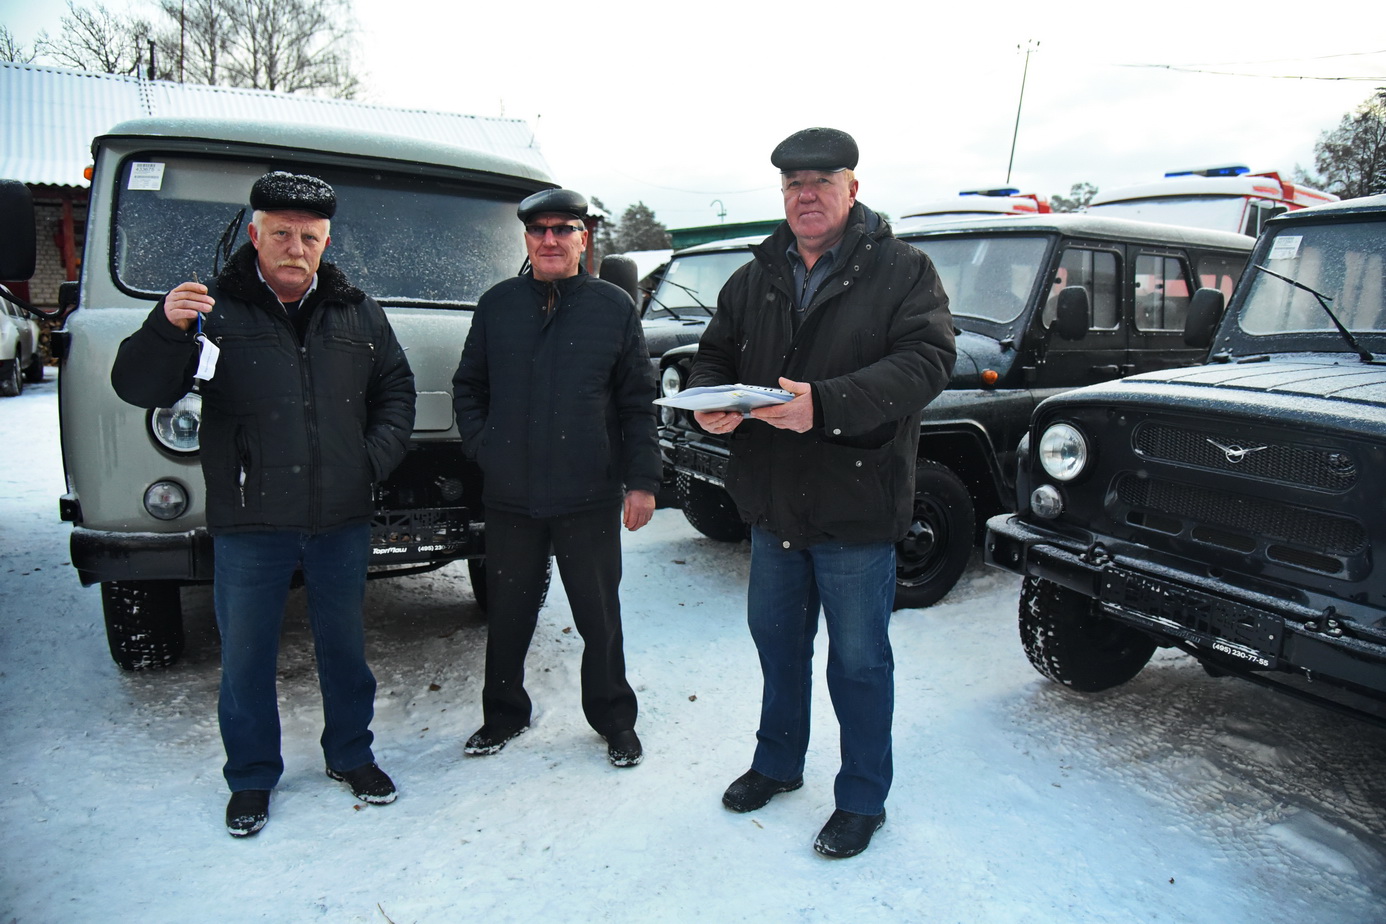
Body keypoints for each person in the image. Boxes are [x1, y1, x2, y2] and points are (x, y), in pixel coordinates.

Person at [111, 171, 416, 838]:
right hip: (251, 520)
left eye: (309, 237)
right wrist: (165, 328)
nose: (295, 248)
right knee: (247, 657)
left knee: (344, 649)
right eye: (281, 234)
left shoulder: (358, 311)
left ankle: (351, 755)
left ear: (326, 242)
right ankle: (251, 774)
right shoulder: (210, 309)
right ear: (255, 235)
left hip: (340, 517)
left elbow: (395, 389)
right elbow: (139, 386)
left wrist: (370, 459)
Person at [689, 128, 956, 858]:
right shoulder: (755, 275)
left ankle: (863, 797)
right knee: (778, 645)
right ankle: (778, 762)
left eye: (822, 181)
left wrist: (826, 404)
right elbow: (715, 353)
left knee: (859, 662)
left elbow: (928, 361)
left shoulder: (904, 271)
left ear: (852, 188)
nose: (806, 195)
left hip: (855, 502)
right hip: (772, 499)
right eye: (794, 184)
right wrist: (708, 400)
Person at [452, 188, 660, 768]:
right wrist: (486, 446)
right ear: (525, 238)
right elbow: (469, 387)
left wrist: (642, 481)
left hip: (587, 491)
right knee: (508, 614)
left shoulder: (613, 307)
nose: (550, 239)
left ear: (582, 239)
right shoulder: (497, 305)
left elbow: (637, 402)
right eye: (538, 230)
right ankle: (503, 714)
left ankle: (615, 719)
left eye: (562, 229)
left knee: (599, 616)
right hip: (511, 495)